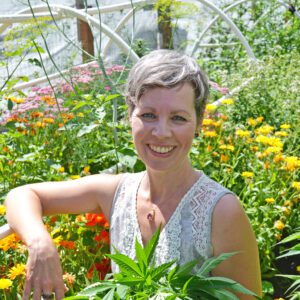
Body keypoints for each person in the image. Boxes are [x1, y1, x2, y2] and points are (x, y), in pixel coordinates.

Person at [5, 50, 262, 300]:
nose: (161, 132)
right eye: (148, 115)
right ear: (130, 116)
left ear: (199, 123)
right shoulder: (116, 192)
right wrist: (40, 244)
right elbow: (22, 195)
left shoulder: (221, 210)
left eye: (178, 118)